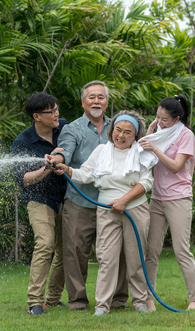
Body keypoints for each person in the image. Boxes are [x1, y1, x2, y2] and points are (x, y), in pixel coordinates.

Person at [54, 110, 153, 316]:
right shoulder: (101, 150)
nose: (121, 135)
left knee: (135, 258)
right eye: (118, 130)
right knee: (106, 258)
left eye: (128, 132)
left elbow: (146, 182)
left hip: (135, 208)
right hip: (106, 209)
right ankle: (102, 305)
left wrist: (124, 200)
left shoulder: (141, 152)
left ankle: (139, 301)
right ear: (112, 130)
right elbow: (86, 174)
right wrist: (67, 170)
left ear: (135, 135)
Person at [47, 81, 128, 311]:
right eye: (91, 97)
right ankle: (78, 302)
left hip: (113, 202)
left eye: (101, 97)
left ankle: (118, 300)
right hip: (79, 202)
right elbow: (64, 150)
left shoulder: (119, 127)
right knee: (75, 254)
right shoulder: (72, 129)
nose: (96, 101)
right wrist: (58, 159)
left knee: (117, 253)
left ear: (107, 102)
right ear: (83, 102)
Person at [138, 95, 195, 311]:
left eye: (164, 119)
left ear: (176, 119)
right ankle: (148, 298)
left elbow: (176, 166)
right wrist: (150, 133)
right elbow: (144, 159)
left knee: (181, 250)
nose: (159, 122)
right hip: (157, 199)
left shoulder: (186, 135)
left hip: (179, 199)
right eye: (157, 117)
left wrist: (155, 148)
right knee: (151, 250)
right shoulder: (159, 133)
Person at [11, 92, 67, 315]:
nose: (56, 114)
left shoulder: (63, 128)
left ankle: (53, 299)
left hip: (67, 197)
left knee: (65, 249)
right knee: (45, 243)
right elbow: (22, 179)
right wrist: (46, 168)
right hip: (39, 199)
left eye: (56, 109)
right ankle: (35, 301)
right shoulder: (23, 142)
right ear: (36, 116)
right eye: (51, 111)